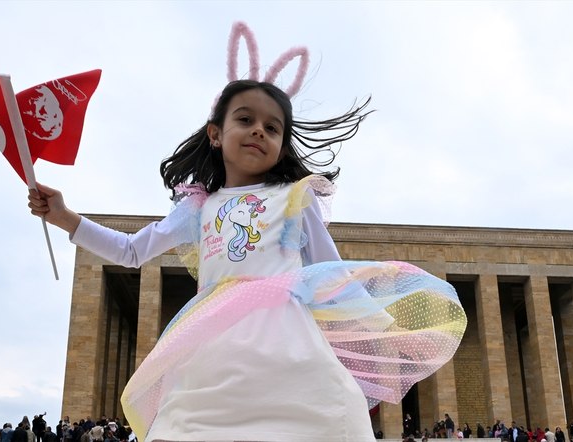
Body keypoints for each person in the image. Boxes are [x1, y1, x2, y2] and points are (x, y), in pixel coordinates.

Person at [27, 23, 466, 442]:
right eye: (245, 119)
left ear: (281, 145)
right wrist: (65, 216)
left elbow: (331, 271)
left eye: (272, 127)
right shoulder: (197, 207)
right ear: (216, 134)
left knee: (319, 421)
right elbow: (129, 251)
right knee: (185, 427)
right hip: (213, 351)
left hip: (286, 347)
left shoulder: (297, 198)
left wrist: (374, 330)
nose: (259, 129)